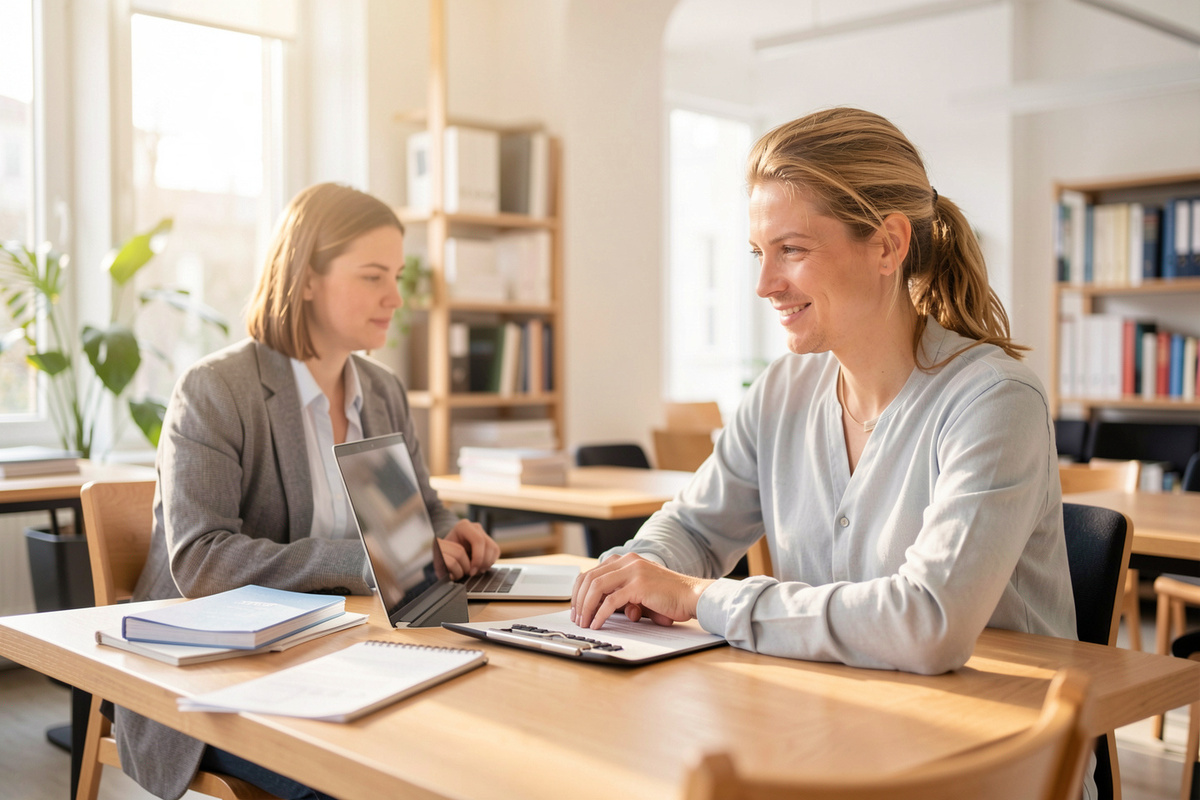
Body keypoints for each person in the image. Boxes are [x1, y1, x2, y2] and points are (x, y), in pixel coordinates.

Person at [571, 107, 1077, 671]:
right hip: (835, 718)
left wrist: (699, 596)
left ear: (888, 245)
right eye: (758, 254)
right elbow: (694, 526)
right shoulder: (782, 390)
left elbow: (929, 621)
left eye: (792, 250)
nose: (764, 285)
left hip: (1002, 741)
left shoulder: (996, 402)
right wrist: (631, 573)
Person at [118, 183, 500, 800]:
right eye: (374, 275)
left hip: (352, 655)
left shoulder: (380, 392)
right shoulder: (217, 391)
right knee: (375, 780)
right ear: (305, 278)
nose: (395, 298)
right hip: (226, 676)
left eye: (397, 275)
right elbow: (200, 561)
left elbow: (417, 512)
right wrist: (360, 563)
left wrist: (446, 530)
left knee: (476, 744)